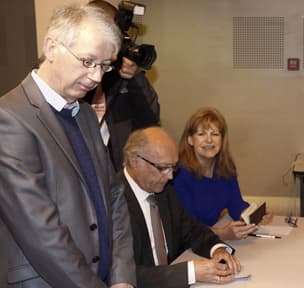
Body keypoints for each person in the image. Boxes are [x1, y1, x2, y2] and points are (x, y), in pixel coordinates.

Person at [0, 4, 135, 287]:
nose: (97, 77)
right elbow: (41, 232)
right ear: (51, 48)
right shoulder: (9, 117)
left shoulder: (85, 113)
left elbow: (114, 196)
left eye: (104, 65)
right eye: (88, 62)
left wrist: (123, 278)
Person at [121, 127, 242, 287]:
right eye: (163, 168)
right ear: (134, 160)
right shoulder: (112, 201)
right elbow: (123, 275)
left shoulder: (165, 191)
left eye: (173, 167)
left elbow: (191, 230)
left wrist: (217, 249)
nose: (170, 176)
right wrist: (191, 272)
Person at [174, 107, 273, 240]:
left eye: (215, 134)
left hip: (211, 236)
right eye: (201, 134)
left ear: (222, 139)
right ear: (190, 140)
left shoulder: (225, 167)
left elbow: (235, 204)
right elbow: (187, 227)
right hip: (187, 244)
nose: (209, 140)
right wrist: (222, 234)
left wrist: (255, 215)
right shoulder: (180, 174)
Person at [85, 0, 160, 172]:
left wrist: (135, 77)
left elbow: (151, 117)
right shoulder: (74, 71)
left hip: (117, 172)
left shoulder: (124, 75)